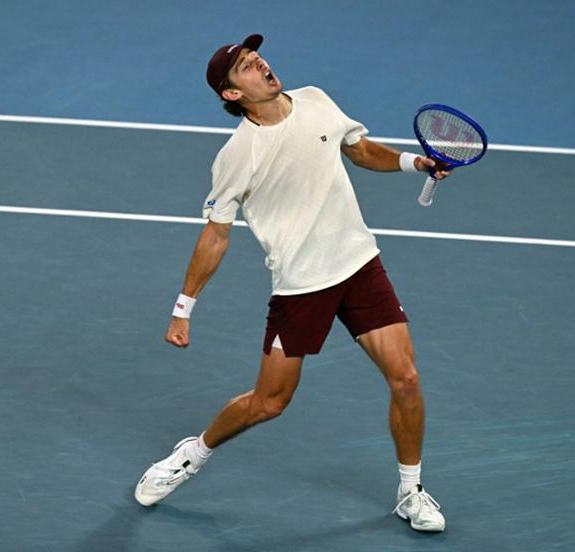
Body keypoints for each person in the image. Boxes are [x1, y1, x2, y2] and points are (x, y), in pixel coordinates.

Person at [134, 34, 451, 533]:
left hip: (359, 264)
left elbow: (358, 150)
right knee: (270, 402)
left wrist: (414, 162)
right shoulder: (238, 155)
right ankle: (192, 454)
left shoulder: (315, 100)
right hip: (302, 285)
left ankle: (410, 492)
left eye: (255, 55)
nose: (258, 62)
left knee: (406, 378)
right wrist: (182, 308)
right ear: (232, 94)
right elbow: (216, 236)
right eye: (244, 65)